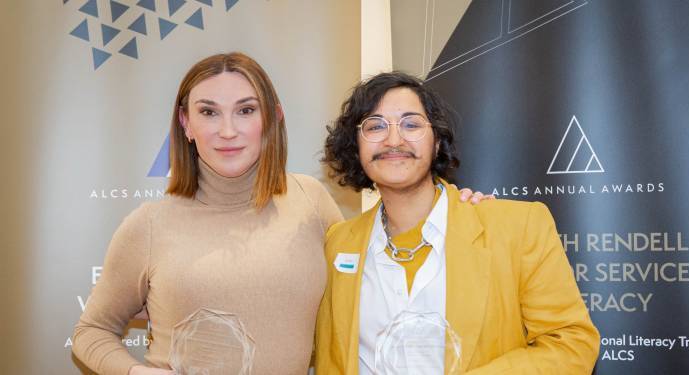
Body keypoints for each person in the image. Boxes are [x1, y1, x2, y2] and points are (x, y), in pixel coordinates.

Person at [72, 53, 487, 375]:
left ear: (272, 117)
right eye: (209, 111)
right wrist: (134, 370)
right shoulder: (149, 225)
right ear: (185, 123)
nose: (228, 130)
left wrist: (453, 208)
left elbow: (372, 280)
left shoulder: (310, 200)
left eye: (246, 110)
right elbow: (90, 332)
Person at [316, 72, 600, 374]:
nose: (394, 139)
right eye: (375, 126)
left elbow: (571, 342)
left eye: (411, 124)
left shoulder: (519, 227)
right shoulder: (338, 245)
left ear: (437, 141)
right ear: (356, 147)